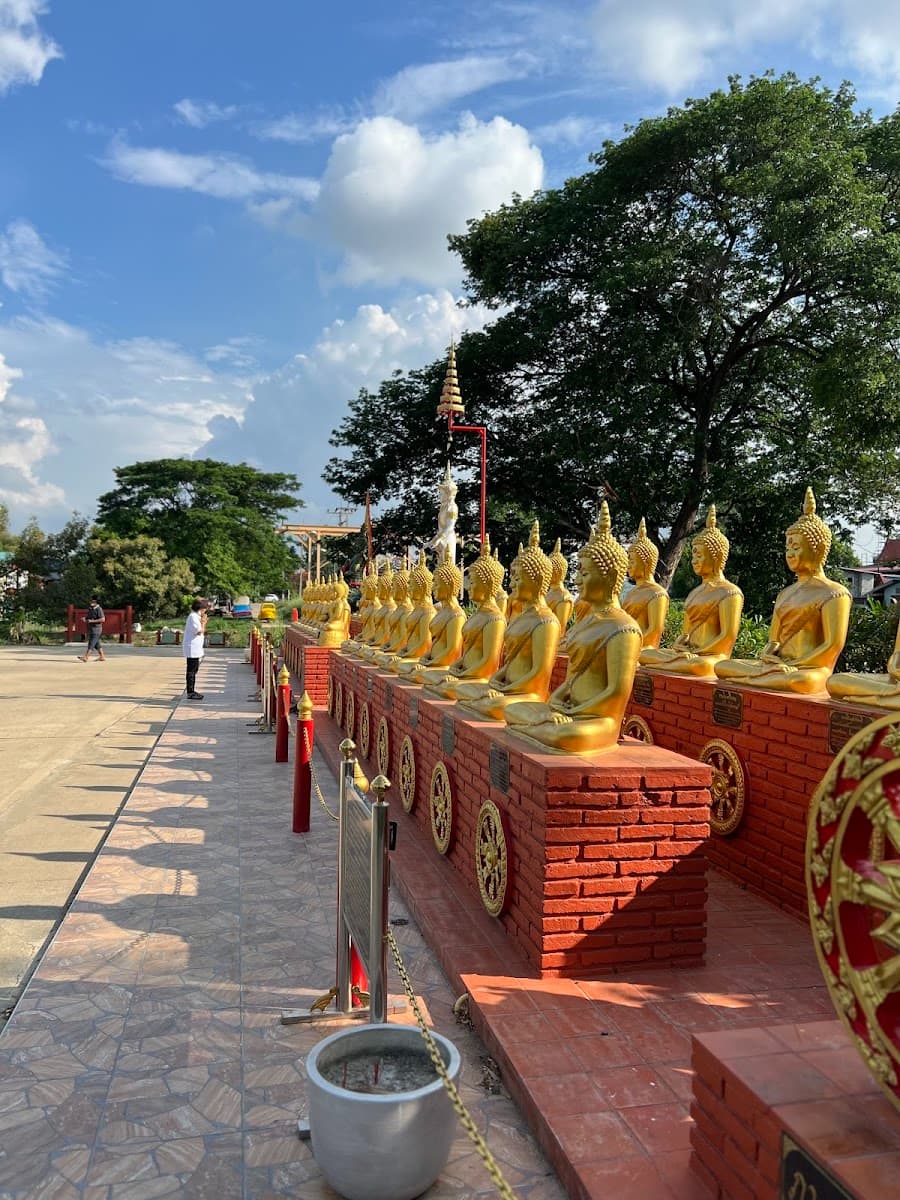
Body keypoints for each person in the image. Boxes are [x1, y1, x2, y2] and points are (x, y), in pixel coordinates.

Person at [183, 598, 209, 700]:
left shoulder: (196, 617)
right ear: (201, 608)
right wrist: (203, 622)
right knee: (191, 670)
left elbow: (202, 631)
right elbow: (198, 631)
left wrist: (203, 622)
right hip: (192, 648)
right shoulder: (193, 617)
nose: (205, 611)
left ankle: (191, 690)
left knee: (194, 669)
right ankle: (190, 692)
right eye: (205, 608)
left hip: (196, 648)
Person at [79, 597, 106, 661]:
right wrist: (85, 619)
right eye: (91, 601)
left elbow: (103, 619)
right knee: (96, 644)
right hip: (91, 629)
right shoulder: (90, 609)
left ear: (96, 602)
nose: (91, 602)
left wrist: (92, 621)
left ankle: (86, 657)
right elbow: (89, 618)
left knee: (91, 643)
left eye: (93, 602)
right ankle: (102, 656)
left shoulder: (99, 609)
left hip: (97, 629)